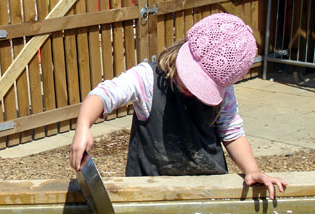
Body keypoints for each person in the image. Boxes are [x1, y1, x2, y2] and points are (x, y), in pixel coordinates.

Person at [70, 13, 287, 199]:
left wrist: (252, 170)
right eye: (192, 79)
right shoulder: (147, 79)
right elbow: (103, 94)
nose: (194, 91)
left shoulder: (225, 92)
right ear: (185, 51)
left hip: (206, 191)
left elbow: (232, 132)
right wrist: (83, 127)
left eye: (205, 87)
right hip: (149, 191)